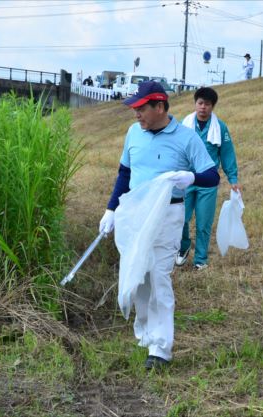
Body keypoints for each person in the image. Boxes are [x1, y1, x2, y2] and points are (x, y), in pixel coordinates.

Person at [99, 81, 219, 370]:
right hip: (135, 214)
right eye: (135, 109)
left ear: (160, 107)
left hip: (168, 215)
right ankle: (145, 333)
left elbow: (211, 176)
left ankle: (160, 348)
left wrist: (190, 178)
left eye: (141, 109)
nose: (136, 115)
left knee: (159, 277)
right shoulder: (133, 133)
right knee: (138, 273)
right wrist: (111, 209)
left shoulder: (186, 138)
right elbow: (124, 173)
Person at [177, 87, 240, 270]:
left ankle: (201, 260)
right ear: (195, 104)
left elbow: (227, 154)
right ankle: (183, 246)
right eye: (200, 103)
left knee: (204, 222)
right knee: (181, 217)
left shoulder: (220, 127)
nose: (203, 107)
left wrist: (233, 178)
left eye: (207, 104)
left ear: (213, 107)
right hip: (187, 179)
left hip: (208, 182)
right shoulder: (184, 125)